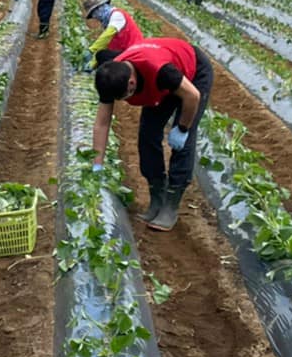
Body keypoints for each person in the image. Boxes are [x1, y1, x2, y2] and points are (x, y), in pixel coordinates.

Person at [91, 37, 214, 231]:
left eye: (123, 97)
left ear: (131, 83)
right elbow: (102, 123)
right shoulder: (110, 76)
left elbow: (192, 95)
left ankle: (171, 205)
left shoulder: (162, 72)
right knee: (147, 134)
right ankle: (157, 196)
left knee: (184, 141)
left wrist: (182, 128)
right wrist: (96, 164)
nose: (122, 102)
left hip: (193, 73)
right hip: (160, 82)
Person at [80, 0, 142, 68]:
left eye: (94, 13)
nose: (95, 17)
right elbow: (106, 43)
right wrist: (93, 63)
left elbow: (107, 35)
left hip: (132, 51)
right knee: (101, 55)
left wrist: (91, 50)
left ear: (100, 7)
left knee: (103, 57)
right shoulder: (108, 21)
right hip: (124, 51)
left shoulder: (117, 15)